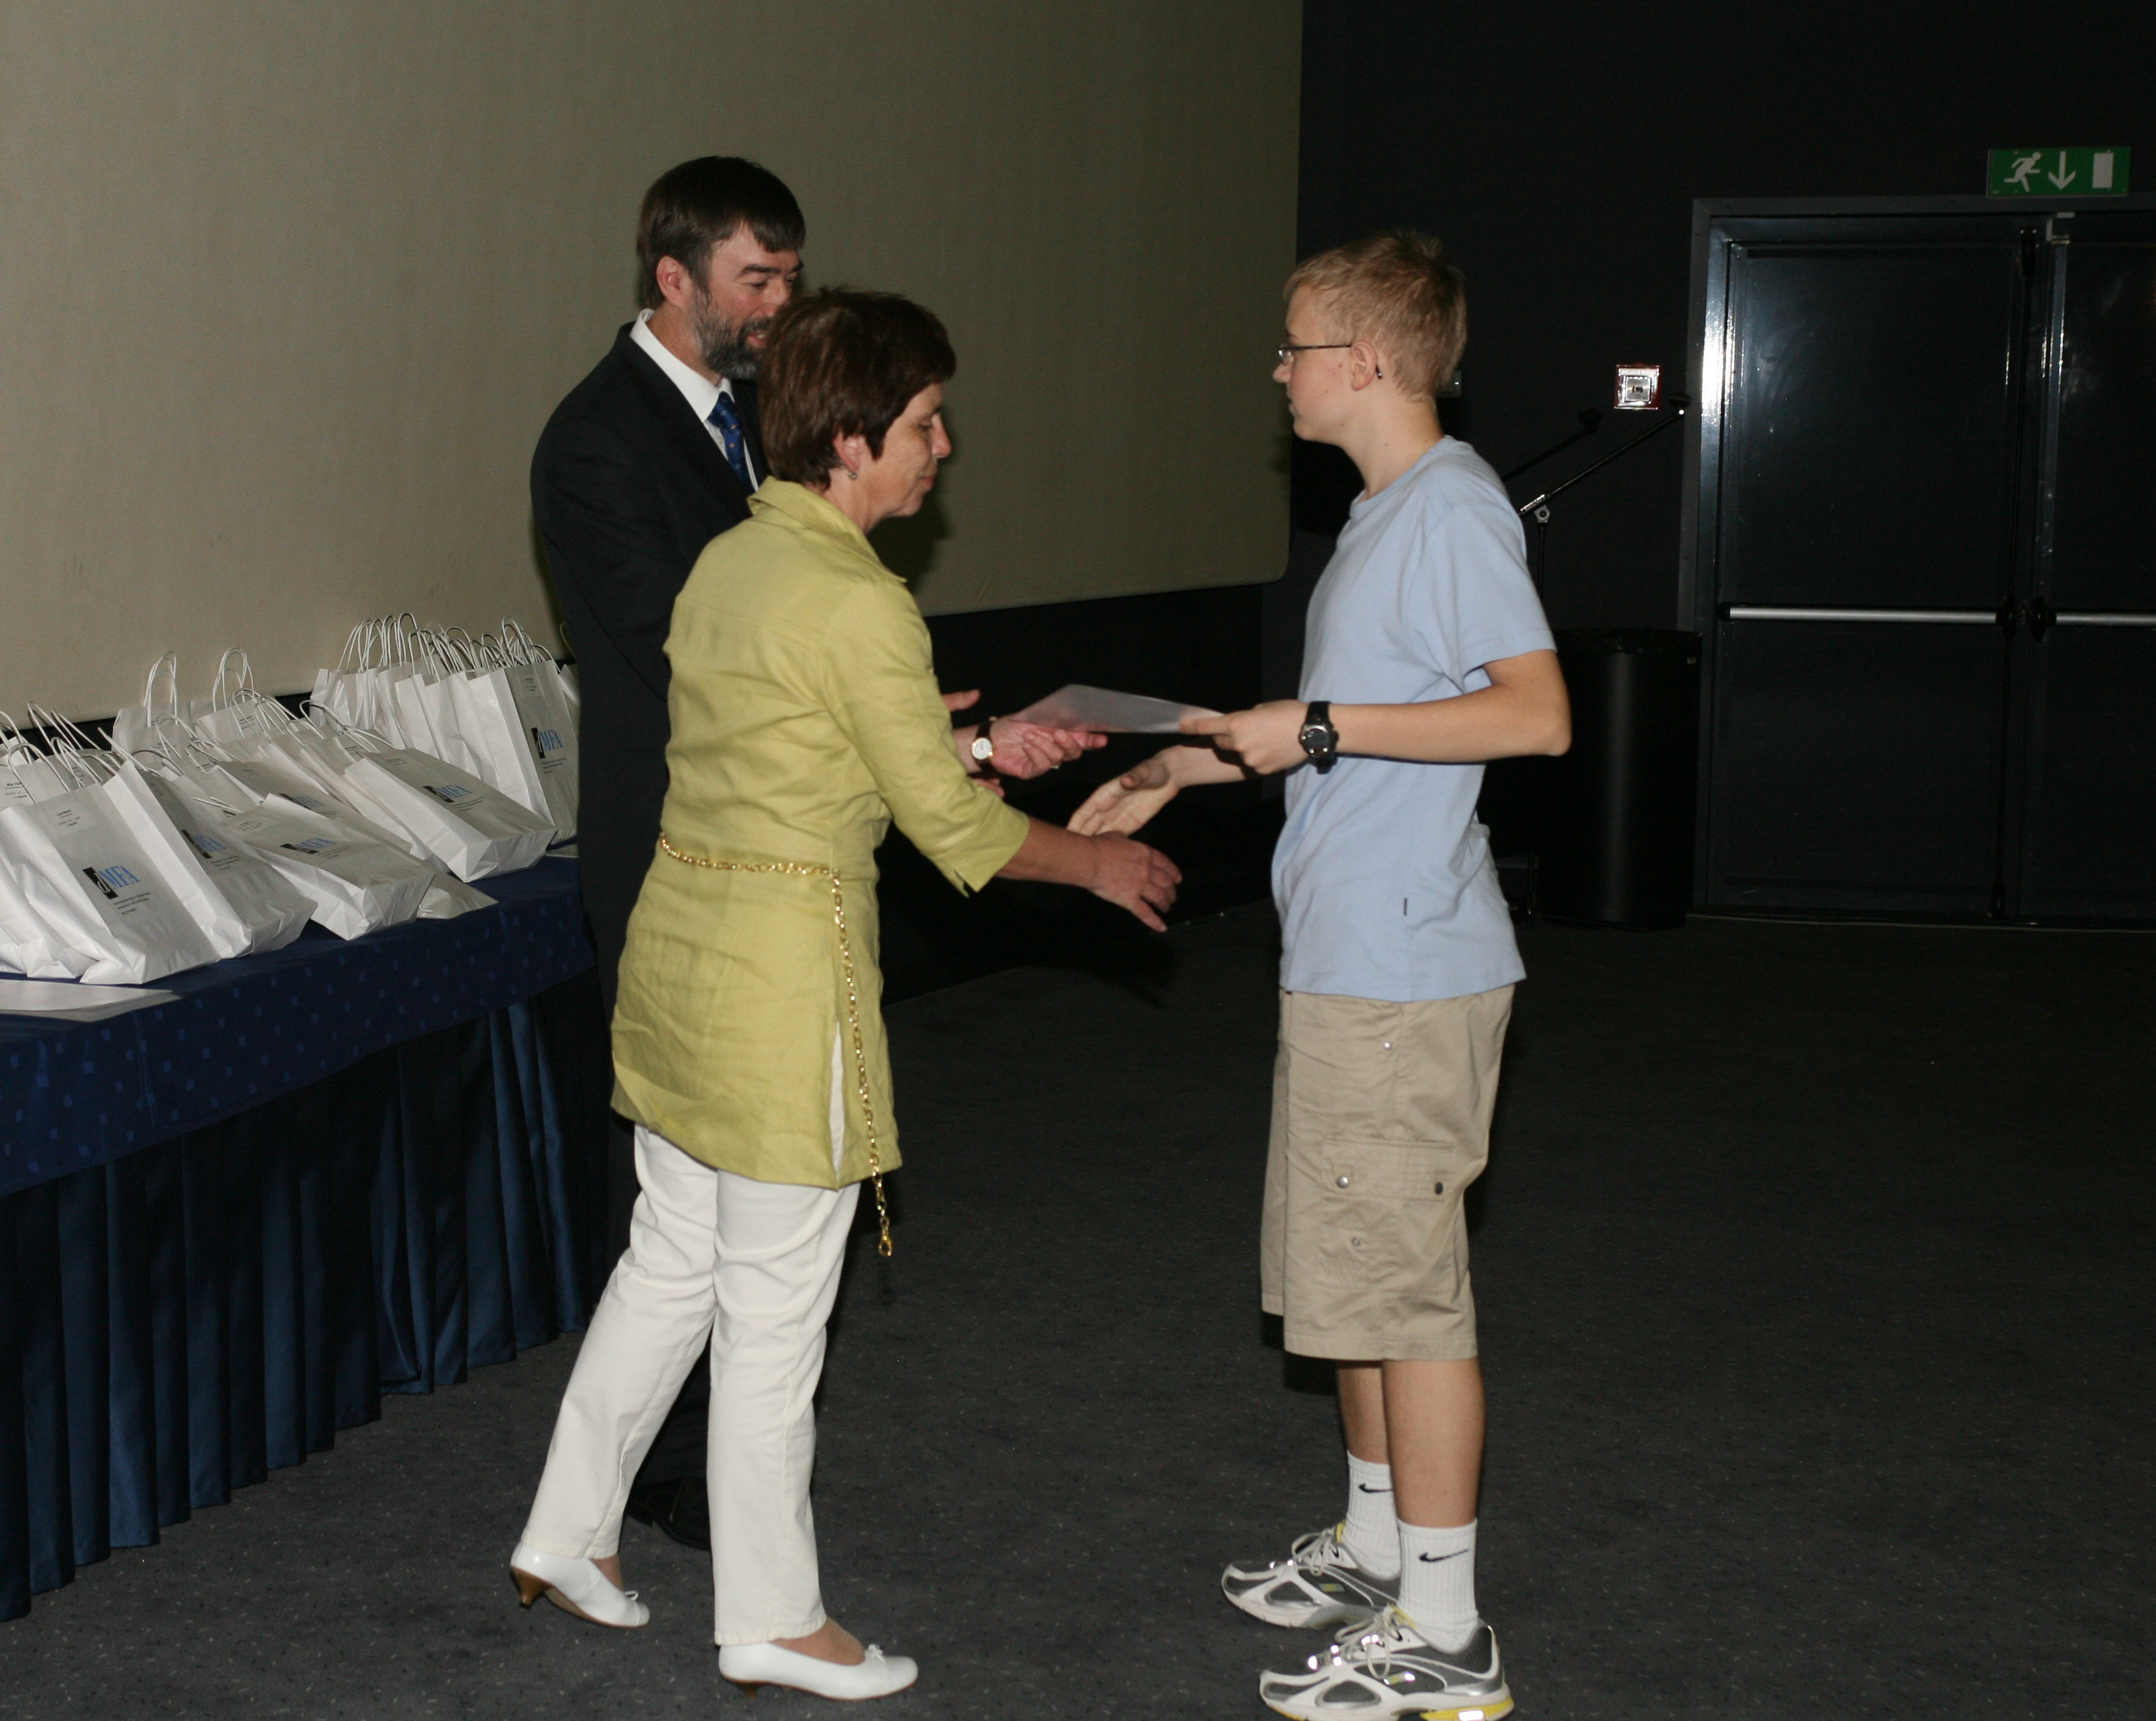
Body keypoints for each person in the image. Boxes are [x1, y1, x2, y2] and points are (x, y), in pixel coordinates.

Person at [510, 289, 1181, 1700]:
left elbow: (802, 746)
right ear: (856, 440)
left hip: (681, 962)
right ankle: (771, 1617)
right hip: (782, 989)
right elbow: (951, 831)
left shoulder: (733, 559)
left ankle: (568, 1531)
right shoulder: (864, 599)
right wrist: (1099, 861)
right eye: (928, 420)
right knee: (771, 1314)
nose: (946, 445)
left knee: (668, 1263)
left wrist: (972, 746)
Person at [529, 159, 1092, 1549]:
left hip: (773, 834)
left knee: (705, 1218)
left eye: (790, 277)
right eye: (756, 281)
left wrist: (926, 734)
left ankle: (611, 1508)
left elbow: (797, 661)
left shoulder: (754, 423)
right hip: (681, 848)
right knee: (678, 1202)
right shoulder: (597, 439)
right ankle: (680, 1483)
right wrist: (911, 736)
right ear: (673, 278)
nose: (781, 306)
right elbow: (701, 655)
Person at [1073, 232, 1568, 1720]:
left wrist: (1326, 727)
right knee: (1349, 1279)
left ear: (1365, 360)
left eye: (1294, 347)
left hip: (1406, 972)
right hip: (1353, 961)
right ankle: (1375, 1547)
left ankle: (1448, 1630)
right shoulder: (1381, 515)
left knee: (1409, 1299)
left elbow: (1535, 716)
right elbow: (1320, 725)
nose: (1277, 371)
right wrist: (1172, 768)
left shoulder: (1453, 508)